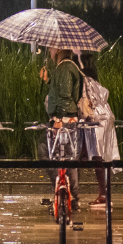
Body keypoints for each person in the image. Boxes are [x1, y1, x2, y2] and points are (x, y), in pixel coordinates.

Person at [39, 46, 84, 209]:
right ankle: (69, 195)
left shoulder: (65, 67)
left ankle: (65, 193)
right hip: (67, 119)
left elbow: (65, 95)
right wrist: (49, 80)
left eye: (51, 47)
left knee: (46, 151)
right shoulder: (67, 66)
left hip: (63, 119)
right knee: (68, 157)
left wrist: (58, 120)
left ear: (58, 49)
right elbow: (63, 89)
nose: (49, 51)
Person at [76, 52, 120, 210]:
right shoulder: (92, 76)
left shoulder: (82, 77)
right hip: (101, 117)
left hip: (93, 119)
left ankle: (100, 194)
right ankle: (102, 194)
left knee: (92, 156)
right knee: (97, 157)